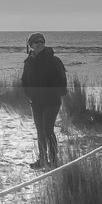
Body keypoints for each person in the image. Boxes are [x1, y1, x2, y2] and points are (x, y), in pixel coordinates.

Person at [21, 32, 68, 169]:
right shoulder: (28, 61)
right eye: (36, 42)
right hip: (36, 101)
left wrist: (54, 93)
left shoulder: (54, 60)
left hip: (52, 101)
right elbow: (24, 79)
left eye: (42, 42)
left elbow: (62, 81)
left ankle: (53, 161)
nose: (39, 44)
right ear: (31, 45)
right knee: (40, 130)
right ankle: (42, 159)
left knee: (48, 130)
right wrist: (29, 94)